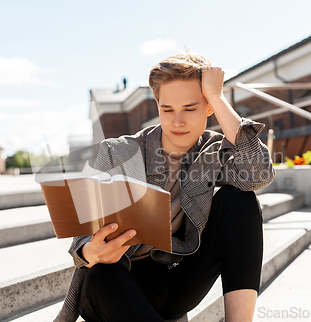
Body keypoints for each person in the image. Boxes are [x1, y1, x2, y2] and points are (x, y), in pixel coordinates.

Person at [55, 50, 275, 322]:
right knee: (101, 275)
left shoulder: (213, 151)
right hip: (119, 284)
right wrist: (92, 251)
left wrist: (217, 97)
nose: (177, 121)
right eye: (167, 109)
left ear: (208, 108)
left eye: (190, 108)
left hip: (176, 279)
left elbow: (258, 174)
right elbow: (81, 240)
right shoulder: (118, 152)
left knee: (239, 201)